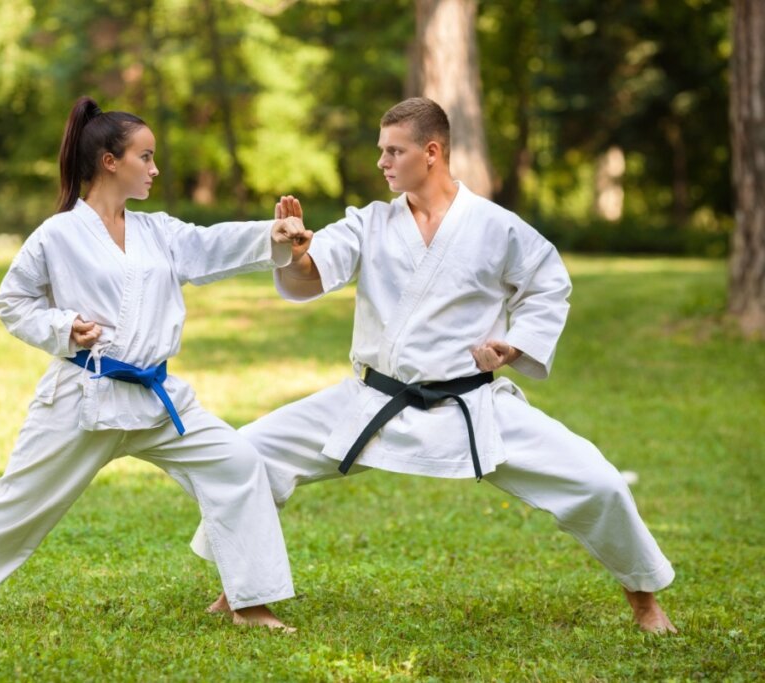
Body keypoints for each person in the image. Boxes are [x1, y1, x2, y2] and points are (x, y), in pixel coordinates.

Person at [192, 97, 677, 634]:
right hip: (373, 400)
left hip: (468, 406)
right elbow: (312, 274)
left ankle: (645, 600)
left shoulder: (497, 227)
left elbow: (547, 288)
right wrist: (300, 250)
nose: (382, 162)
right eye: (381, 150)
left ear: (431, 152)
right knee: (248, 452)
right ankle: (239, 586)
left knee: (598, 481)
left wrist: (512, 347)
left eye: (393, 151)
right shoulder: (370, 222)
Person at [0, 95, 313, 632]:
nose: (155, 168)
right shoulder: (57, 234)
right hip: (84, 397)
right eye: (146, 157)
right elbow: (13, 301)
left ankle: (250, 603)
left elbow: (209, 244)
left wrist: (270, 234)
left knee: (237, 464)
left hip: (157, 398)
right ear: (109, 162)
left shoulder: (156, 231)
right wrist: (61, 328)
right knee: (22, 499)